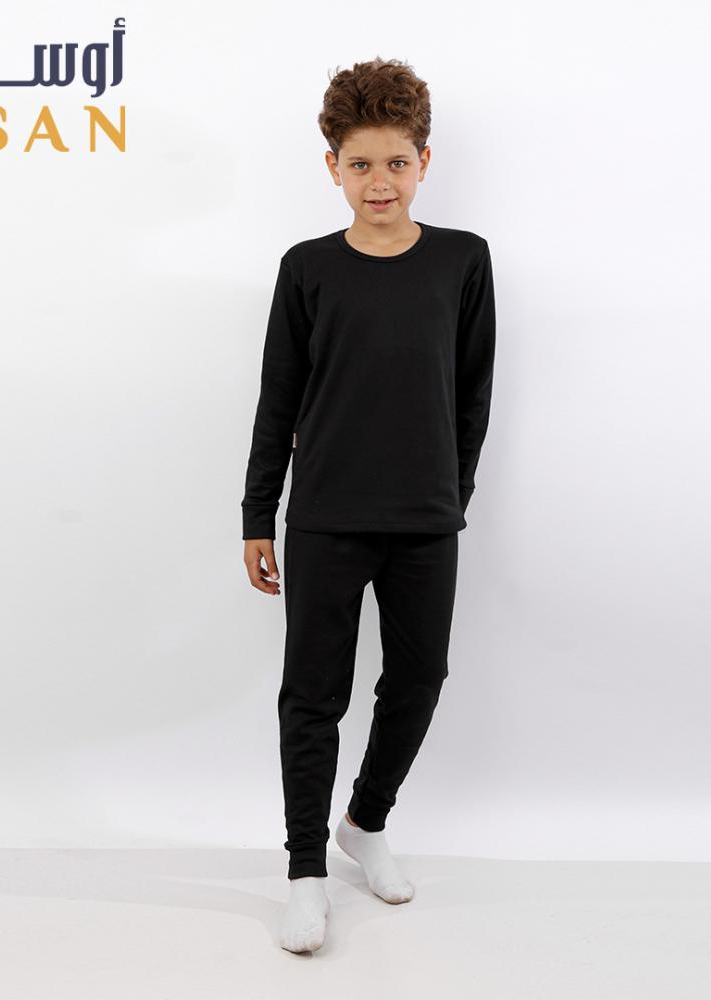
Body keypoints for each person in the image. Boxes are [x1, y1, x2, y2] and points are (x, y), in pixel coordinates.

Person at [241, 56, 496, 954]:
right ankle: (305, 872)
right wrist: (258, 514)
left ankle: (366, 822)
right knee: (313, 696)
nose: (379, 181)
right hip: (326, 516)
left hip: (425, 517)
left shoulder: (463, 260)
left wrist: (452, 492)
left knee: (420, 680)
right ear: (333, 168)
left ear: (424, 162)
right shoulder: (308, 268)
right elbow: (278, 399)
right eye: (360, 164)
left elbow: (472, 393)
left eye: (396, 162)